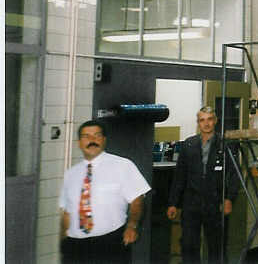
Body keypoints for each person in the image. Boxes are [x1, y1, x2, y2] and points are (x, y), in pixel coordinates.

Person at [59, 120, 151, 264]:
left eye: (97, 135)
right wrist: (63, 240)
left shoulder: (123, 165)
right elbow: (67, 212)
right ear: (79, 142)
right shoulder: (70, 174)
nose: (92, 140)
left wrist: (132, 226)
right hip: (75, 246)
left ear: (104, 140)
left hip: (109, 243)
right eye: (86, 136)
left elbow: (137, 199)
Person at [167, 106, 241, 263]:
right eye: (202, 120)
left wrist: (229, 199)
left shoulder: (225, 145)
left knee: (216, 248)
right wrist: (173, 203)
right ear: (198, 123)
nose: (206, 123)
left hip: (215, 202)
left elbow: (235, 174)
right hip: (191, 203)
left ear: (215, 121)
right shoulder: (189, 145)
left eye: (209, 119)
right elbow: (180, 176)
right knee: (188, 245)